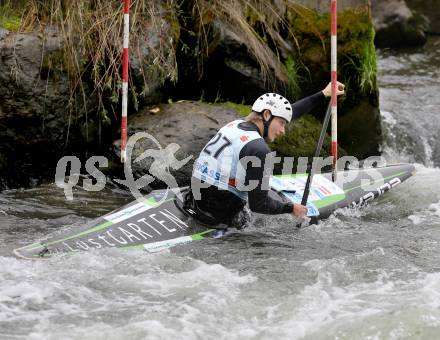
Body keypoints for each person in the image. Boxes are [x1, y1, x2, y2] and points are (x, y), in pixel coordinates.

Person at [185, 82, 345, 229]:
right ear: (267, 115)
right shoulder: (259, 149)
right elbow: (259, 205)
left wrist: (323, 94)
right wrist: (291, 208)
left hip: (197, 195)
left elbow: (290, 112)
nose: (283, 130)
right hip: (219, 212)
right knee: (280, 222)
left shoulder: (234, 124)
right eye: (282, 123)